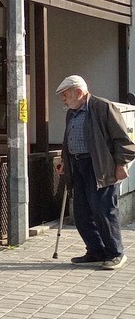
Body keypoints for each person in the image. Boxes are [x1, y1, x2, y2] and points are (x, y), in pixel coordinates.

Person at [55, 75, 135, 270]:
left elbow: (124, 142)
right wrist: (64, 160)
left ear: (79, 92)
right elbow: (69, 140)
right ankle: (96, 251)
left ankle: (115, 253)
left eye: (65, 95)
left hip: (100, 167)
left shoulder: (102, 107)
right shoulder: (71, 113)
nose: (63, 100)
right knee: (82, 213)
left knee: (104, 211)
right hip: (77, 166)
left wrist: (120, 165)